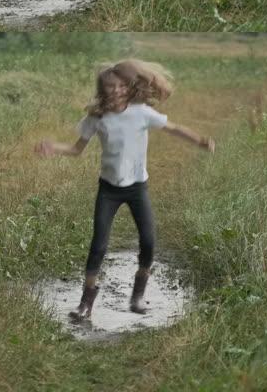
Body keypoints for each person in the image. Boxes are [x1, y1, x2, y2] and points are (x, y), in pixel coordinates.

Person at [35, 59, 214, 320]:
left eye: (120, 86)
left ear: (129, 88)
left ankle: (137, 296)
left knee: (149, 242)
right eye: (110, 87)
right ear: (103, 89)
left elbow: (173, 128)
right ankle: (85, 303)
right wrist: (54, 148)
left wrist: (200, 141)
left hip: (137, 188)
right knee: (98, 245)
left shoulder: (141, 112)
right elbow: (76, 150)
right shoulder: (96, 118)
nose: (116, 91)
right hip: (108, 190)